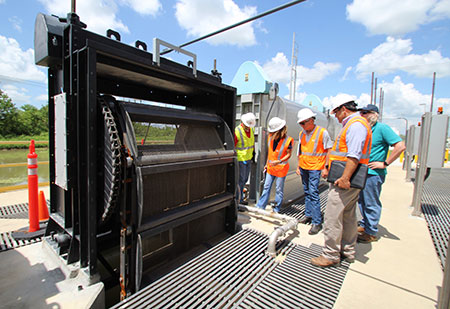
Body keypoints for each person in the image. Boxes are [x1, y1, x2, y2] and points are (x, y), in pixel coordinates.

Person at [311, 98, 372, 268]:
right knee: (348, 216)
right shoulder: (356, 124)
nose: (336, 117)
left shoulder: (355, 125)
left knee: (332, 216)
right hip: (349, 179)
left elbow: (354, 155)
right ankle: (347, 250)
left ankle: (330, 255)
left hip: (346, 180)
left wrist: (345, 178)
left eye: (336, 112)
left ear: (343, 109)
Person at [357, 104, 406, 243]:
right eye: (362, 112)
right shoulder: (365, 130)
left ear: (374, 114)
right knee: (362, 201)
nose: (363, 115)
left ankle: (371, 232)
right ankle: (365, 224)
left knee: (371, 201)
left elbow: (400, 146)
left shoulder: (382, 129)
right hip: (362, 171)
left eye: (366, 113)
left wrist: (385, 163)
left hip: (373, 173)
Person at [296, 108, 333, 235]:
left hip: (316, 168)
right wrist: (298, 166)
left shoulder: (322, 133)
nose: (302, 126)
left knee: (313, 193)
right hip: (304, 167)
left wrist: (326, 167)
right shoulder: (302, 134)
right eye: (300, 123)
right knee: (307, 192)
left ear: (311, 120)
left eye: (303, 123)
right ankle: (309, 215)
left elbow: (329, 150)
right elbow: (300, 151)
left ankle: (317, 222)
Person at [256, 117, 294, 213]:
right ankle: (261, 206)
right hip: (271, 167)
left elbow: (289, 154)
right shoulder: (270, 138)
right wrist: (266, 164)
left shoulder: (289, 140)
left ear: (278, 131)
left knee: (278, 190)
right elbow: (270, 153)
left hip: (281, 168)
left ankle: (276, 209)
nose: (270, 133)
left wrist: (279, 161)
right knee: (266, 186)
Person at [235, 112, 256, 205]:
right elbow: (233, 146)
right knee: (240, 180)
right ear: (242, 122)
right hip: (240, 160)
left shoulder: (251, 130)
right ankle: (237, 201)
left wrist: (253, 154)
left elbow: (251, 143)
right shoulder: (237, 131)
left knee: (244, 179)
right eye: (247, 126)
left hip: (248, 159)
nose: (248, 127)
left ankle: (240, 199)